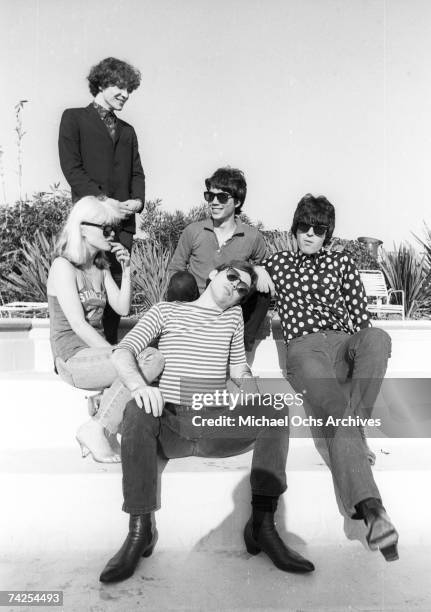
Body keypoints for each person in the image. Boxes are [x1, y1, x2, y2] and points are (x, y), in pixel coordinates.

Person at [99, 260, 315, 583]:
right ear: (214, 274)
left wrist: (250, 392)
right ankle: (139, 530)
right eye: (232, 278)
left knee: (276, 407)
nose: (235, 288)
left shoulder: (232, 319)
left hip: (215, 422)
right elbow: (123, 351)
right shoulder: (165, 311)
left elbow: (238, 369)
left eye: (243, 289)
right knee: (137, 409)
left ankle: (262, 526)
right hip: (171, 420)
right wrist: (139, 386)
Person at [256, 194, 399, 562]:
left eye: (318, 229)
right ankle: (372, 511)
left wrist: (362, 351)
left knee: (378, 339)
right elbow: (237, 270)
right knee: (335, 408)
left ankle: (355, 431)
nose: (309, 234)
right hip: (304, 351)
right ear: (295, 227)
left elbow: (360, 316)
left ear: (327, 235)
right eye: (303, 226)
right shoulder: (277, 262)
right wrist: (256, 271)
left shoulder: (342, 262)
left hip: (341, 344)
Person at [47, 196, 164, 463]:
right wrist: (119, 356)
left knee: (154, 355)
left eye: (113, 229)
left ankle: (98, 423)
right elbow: (78, 324)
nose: (112, 235)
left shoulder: (100, 266)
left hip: (97, 356)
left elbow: (122, 308)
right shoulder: (62, 266)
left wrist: (127, 269)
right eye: (106, 228)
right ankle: (97, 429)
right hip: (72, 359)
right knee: (147, 358)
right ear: (84, 228)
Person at [58, 57, 146, 344]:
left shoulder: (128, 131)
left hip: (123, 225)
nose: (125, 94)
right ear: (101, 83)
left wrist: (137, 202)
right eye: (119, 86)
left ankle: (110, 353)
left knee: (116, 287)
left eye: (129, 89)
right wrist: (104, 201)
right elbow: (72, 169)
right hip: (91, 224)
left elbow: (137, 173)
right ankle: (85, 353)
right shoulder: (73, 118)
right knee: (85, 281)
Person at [168, 167, 271, 351]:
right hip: (196, 306)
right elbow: (175, 269)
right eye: (210, 196)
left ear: (237, 202)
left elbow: (265, 266)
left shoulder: (252, 236)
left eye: (222, 197)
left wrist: (260, 269)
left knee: (263, 287)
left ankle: (242, 347)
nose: (214, 202)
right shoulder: (194, 231)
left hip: (230, 305)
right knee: (180, 281)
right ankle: (178, 337)